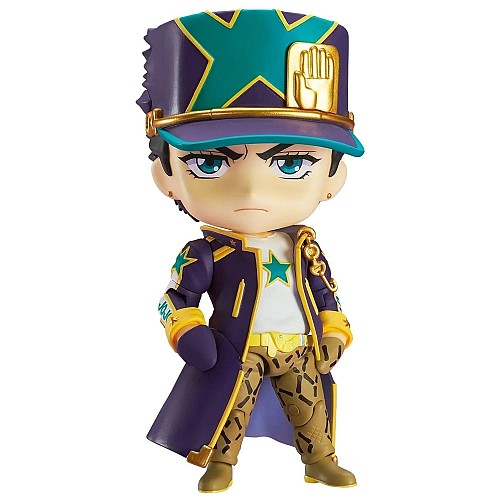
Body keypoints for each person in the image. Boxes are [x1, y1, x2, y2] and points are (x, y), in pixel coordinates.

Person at [137, 9, 364, 493]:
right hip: (238, 347)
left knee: (308, 405)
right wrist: (186, 330)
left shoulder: (303, 248)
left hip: (298, 344)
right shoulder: (206, 253)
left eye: (292, 162)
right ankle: (221, 461)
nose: (252, 190)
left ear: (334, 177)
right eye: (209, 162)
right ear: (166, 176)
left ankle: (319, 458)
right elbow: (175, 298)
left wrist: (334, 331)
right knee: (230, 406)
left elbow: (326, 293)